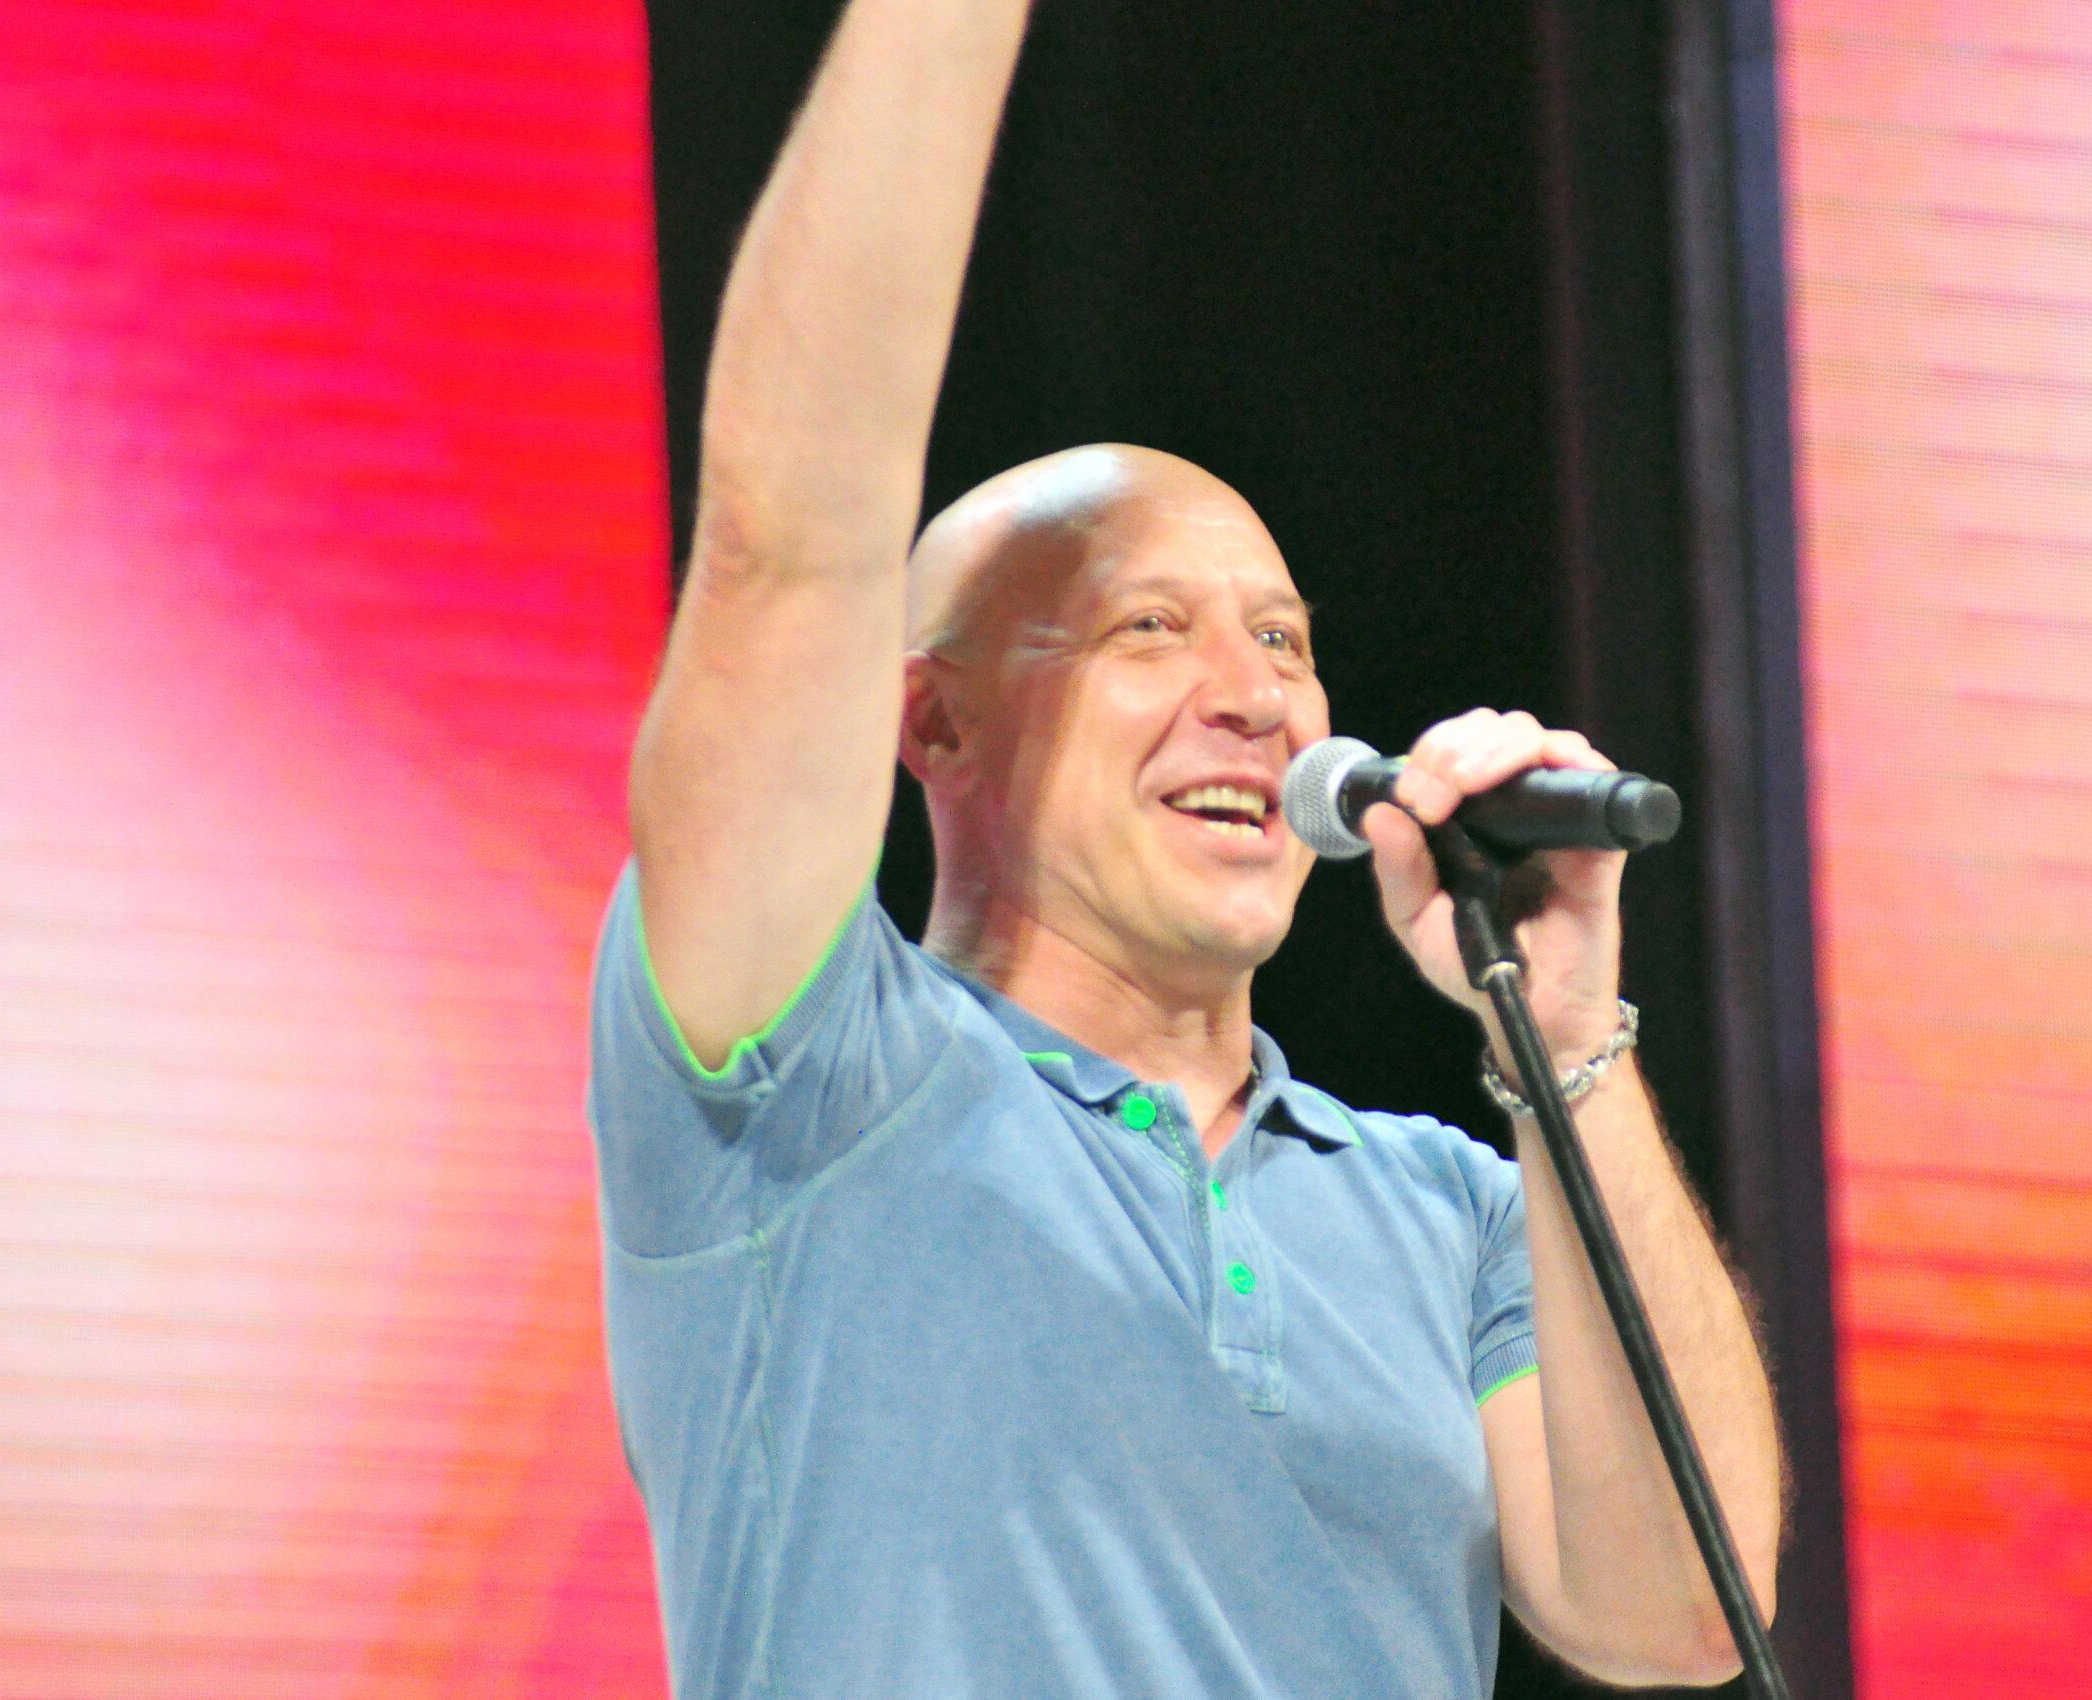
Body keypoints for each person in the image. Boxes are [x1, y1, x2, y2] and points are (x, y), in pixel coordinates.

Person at [588, 0, 1782, 1693]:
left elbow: (1680, 1614)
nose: (1255, 701)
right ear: (932, 722)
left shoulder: (1448, 1207)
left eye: (1285, 642)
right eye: (1147, 628)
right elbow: (785, 549)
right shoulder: (803, 1084)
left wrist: (1568, 1041)